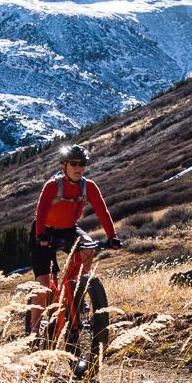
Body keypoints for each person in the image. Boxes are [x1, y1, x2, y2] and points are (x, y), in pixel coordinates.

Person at [28, 143, 123, 341]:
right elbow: (41, 210)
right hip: (44, 231)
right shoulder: (53, 186)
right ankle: (34, 333)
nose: (78, 168)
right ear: (64, 165)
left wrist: (112, 236)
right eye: (73, 164)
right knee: (44, 285)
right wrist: (41, 235)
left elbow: (102, 212)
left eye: (82, 164)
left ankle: (76, 291)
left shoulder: (88, 187)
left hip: (69, 229)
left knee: (88, 247)